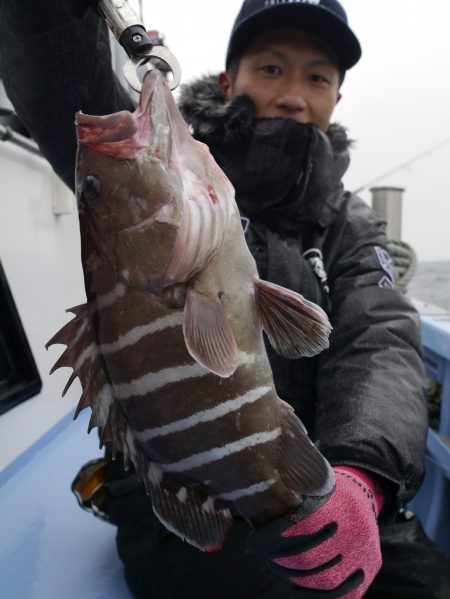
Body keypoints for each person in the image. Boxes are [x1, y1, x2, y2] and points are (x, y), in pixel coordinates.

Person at [1, 0, 449, 597]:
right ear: (227, 80)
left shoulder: (350, 226)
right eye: (270, 68)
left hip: (324, 465)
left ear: (336, 98)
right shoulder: (169, 166)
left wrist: (363, 471)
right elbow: (65, 87)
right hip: (187, 483)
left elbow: (380, 340)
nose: (293, 92)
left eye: (317, 76)